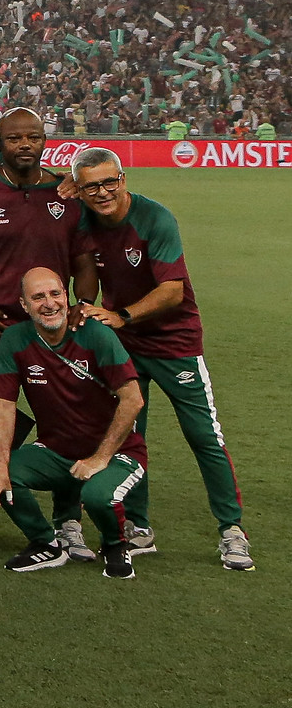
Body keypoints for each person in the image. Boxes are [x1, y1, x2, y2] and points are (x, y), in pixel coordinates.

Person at [72, 147, 252, 570]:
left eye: (109, 182)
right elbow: (90, 275)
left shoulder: (156, 218)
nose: (102, 192)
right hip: (126, 345)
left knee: (204, 436)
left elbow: (172, 290)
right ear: (79, 190)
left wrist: (120, 316)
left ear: (123, 179)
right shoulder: (85, 222)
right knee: (130, 436)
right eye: (91, 185)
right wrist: (85, 306)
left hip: (175, 343)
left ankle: (232, 530)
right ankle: (138, 527)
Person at [0, 267, 146, 580]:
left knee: (97, 496)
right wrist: (0, 466)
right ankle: (46, 543)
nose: (49, 303)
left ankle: (115, 544)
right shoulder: (15, 339)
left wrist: (100, 458)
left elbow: (133, 399)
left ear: (67, 297)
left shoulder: (96, 333)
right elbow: (4, 404)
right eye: (38, 297)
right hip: (57, 452)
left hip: (117, 454)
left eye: (56, 294)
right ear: (24, 304)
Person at [0, 108, 97, 380]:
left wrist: (84, 303)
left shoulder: (67, 196)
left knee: (63, 416)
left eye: (33, 137)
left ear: (44, 141)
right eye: (14, 138)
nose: (25, 145)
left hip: (49, 325)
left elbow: (85, 262)